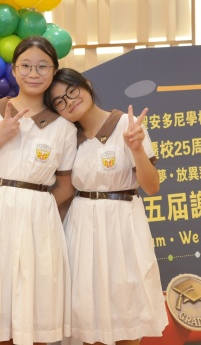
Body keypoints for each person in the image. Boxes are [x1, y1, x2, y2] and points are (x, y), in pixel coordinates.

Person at [0, 36, 77, 345]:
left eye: (42, 66)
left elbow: (66, 185)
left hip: (38, 222)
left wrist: (37, 206)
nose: (33, 73)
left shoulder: (64, 127)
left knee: (36, 300)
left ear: (54, 71)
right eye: (25, 65)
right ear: (14, 70)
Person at [46, 68, 168, 345]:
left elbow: (152, 187)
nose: (69, 102)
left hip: (122, 229)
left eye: (72, 91)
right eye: (59, 102)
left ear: (86, 85)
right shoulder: (68, 137)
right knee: (88, 317)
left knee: (127, 312)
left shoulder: (127, 125)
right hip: (81, 231)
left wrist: (136, 148)